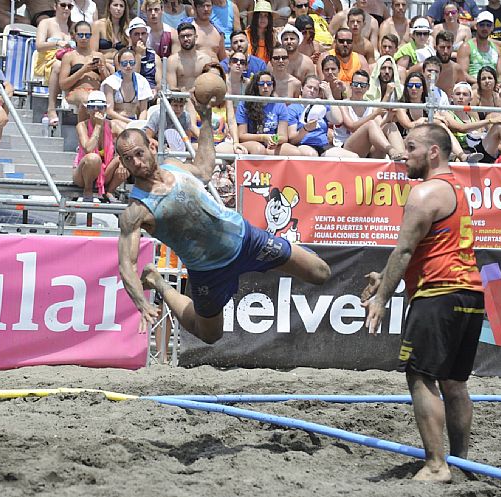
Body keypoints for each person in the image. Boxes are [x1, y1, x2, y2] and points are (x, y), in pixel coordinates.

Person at [116, 98, 331, 343]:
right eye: (128, 159)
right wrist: (142, 303)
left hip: (246, 240)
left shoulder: (174, 166)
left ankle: (288, 250)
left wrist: (206, 118)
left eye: (139, 153)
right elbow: (126, 265)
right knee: (209, 334)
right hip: (208, 271)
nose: (136, 162)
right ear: (122, 162)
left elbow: (204, 169)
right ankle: (158, 282)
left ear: (152, 147)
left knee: (321, 273)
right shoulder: (136, 211)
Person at [360, 123, 484, 483]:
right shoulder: (456, 189)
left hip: (437, 294)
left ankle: (435, 465)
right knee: (454, 383)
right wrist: (385, 277)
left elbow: (405, 249)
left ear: (433, 152)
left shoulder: (424, 193)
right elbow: (431, 248)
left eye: (411, 147)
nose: (404, 154)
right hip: (470, 293)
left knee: (420, 375)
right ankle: (461, 463)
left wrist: (382, 298)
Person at [441, 81, 501, 164]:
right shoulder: (446, 113)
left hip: (478, 151)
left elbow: (480, 134)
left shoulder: (472, 115)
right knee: (499, 123)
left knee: (500, 124)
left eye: (465, 94)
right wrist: (489, 121)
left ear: (470, 98)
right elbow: (460, 128)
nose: (461, 97)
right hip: (463, 153)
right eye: (458, 94)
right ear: (452, 97)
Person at [334, 68, 404, 159]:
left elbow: (379, 127)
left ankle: (401, 156)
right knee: (371, 124)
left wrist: (388, 118)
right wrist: (374, 114)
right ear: (351, 86)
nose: (359, 87)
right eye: (356, 84)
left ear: (367, 87)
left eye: (362, 85)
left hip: (368, 148)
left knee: (390, 125)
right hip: (347, 147)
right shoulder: (343, 104)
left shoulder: (371, 106)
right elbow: (352, 127)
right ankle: (391, 150)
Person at [73, 91, 129, 202]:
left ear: (105, 109)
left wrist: (123, 162)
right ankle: (88, 189)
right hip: (83, 174)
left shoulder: (113, 125)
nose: (96, 110)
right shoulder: (82, 126)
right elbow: (88, 149)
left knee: (127, 160)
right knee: (93, 158)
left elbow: (129, 141)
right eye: (92, 107)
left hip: (105, 172)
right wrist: (98, 126)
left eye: (100, 107)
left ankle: (110, 191)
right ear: (87, 110)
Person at [236, 71, 300, 155]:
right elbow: (242, 136)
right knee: (259, 149)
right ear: (255, 86)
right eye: (261, 84)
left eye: (269, 84)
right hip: (252, 142)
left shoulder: (280, 104)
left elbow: (283, 136)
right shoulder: (245, 104)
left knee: (295, 152)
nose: (265, 87)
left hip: (271, 143)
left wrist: (274, 140)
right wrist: (263, 137)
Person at [287, 74, 349, 157]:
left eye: (315, 89)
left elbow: (338, 120)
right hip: (304, 145)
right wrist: (305, 129)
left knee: (351, 156)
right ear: (302, 88)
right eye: (309, 87)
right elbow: (292, 139)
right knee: (312, 154)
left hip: (323, 146)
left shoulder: (322, 105)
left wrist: (329, 96)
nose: (312, 90)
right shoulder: (293, 108)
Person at [35, 0, 74, 126]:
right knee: (59, 65)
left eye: (70, 6)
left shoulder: (72, 27)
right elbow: (39, 46)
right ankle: (51, 108)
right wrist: (56, 43)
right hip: (49, 60)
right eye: (63, 5)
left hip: (69, 60)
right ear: (55, 6)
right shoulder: (46, 23)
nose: (66, 8)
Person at [59, 20, 110, 112]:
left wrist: (102, 71)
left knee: (94, 100)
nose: (84, 38)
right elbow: (63, 85)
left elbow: (107, 82)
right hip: (76, 92)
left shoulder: (99, 56)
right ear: (74, 36)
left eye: (87, 35)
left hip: (96, 93)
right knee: (88, 100)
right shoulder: (69, 56)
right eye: (80, 35)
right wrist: (82, 70)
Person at [101, 47, 151, 128]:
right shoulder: (110, 82)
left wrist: (140, 124)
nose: (128, 66)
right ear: (119, 64)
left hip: (133, 120)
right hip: (114, 121)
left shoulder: (141, 81)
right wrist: (130, 123)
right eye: (124, 63)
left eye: (131, 63)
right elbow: (109, 111)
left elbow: (143, 110)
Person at [456, 11, 501, 85]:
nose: (485, 28)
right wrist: (481, 83)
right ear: (476, 26)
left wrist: (497, 84)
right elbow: (462, 73)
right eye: (482, 25)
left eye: (488, 25)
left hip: (493, 85)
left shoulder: (496, 48)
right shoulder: (466, 47)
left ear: (492, 27)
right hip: (474, 84)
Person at [166, 22, 213, 91]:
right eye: (182, 36)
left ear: (196, 37)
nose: (185, 39)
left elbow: (211, 85)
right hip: (180, 97)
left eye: (188, 35)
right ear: (178, 38)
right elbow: (172, 88)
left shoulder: (206, 60)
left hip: (201, 96)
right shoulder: (172, 61)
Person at [125, 17, 162, 93]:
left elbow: (160, 82)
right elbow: (131, 79)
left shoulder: (155, 57)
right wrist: (138, 55)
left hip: (151, 92)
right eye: (136, 34)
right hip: (132, 93)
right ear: (130, 36)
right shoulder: (124, 55)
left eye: (143, 33)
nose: (140, 37)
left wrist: (156, 89)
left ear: (147, 35)